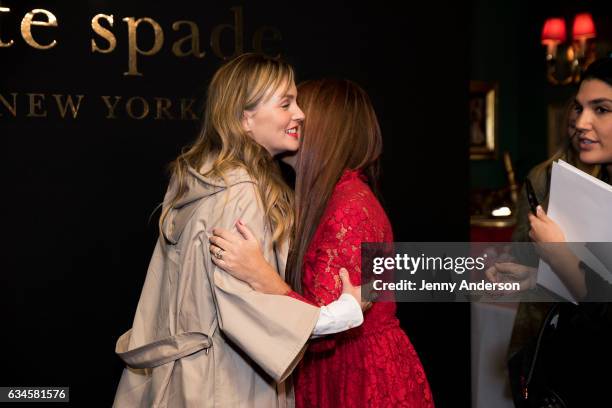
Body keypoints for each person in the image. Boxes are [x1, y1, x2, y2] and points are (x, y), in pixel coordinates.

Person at [113, 54, 368, 408]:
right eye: (285, 103)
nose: (300, 114)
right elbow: (241, 305)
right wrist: (337, 315)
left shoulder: (202, 180)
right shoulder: (241, 191)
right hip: (226, 383)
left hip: (191, 378)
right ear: (246, 118)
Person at [210, 79, 434, 407]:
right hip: (338, 370)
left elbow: (323, 326)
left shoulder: (350, 207)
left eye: (298, 111)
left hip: (359, 377)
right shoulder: (332, 198)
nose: (292, 119)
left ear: (325, 130)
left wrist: (260, 273)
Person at [487, 57, 612, 407]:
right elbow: (598, 287)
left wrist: (557, 251)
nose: (581, 121)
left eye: (601, 109)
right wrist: (536, 276)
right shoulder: (590, 181)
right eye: (579, 108)